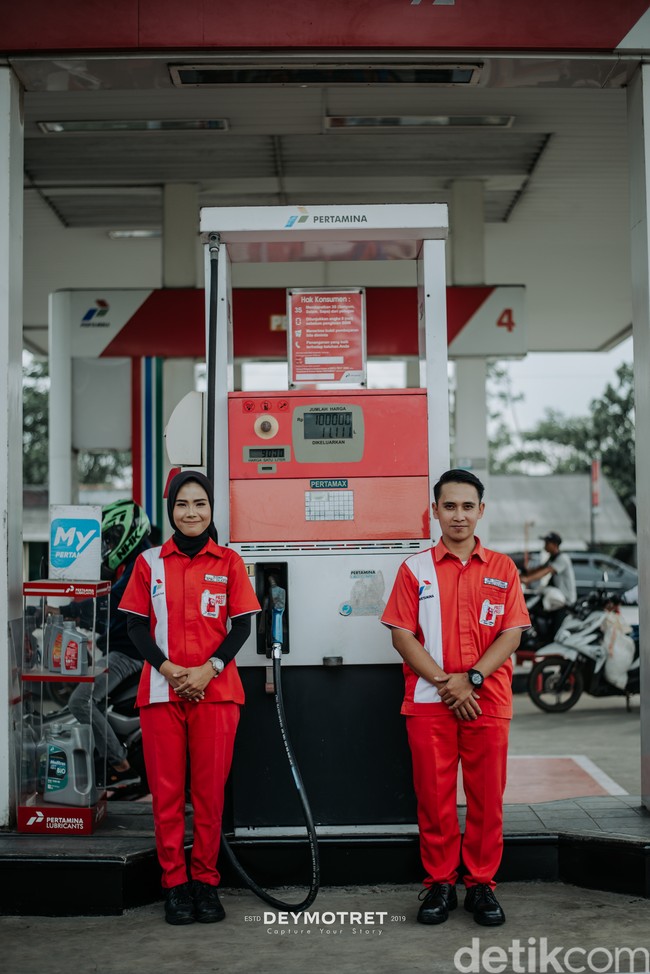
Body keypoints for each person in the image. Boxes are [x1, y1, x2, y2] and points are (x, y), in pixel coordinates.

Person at [380, 469, 530, 927]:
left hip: (489, 701)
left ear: (481, 511)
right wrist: (449, 684)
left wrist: (474, 679)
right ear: (435, 511)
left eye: (468, 506)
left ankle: (482, 885)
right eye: (450, 506)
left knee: (487, 798)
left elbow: (513, 632)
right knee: (435, 797)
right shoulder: (415, 568)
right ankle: (440, 884)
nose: (459, 515)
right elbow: (402, 636)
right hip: (429, 704)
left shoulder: (503, 568)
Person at [119, 470, 261, 926]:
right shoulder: (149, 564)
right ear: (171, 512)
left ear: (211, 509)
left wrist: (208, 669)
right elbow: (135, 626)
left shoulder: (230, 563)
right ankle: (175, 885)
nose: (192, 512)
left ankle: (205, 882)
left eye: (200, 503)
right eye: (183, 505)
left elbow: (241, 625)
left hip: (217, 694)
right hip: (162, 693)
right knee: (165, 796)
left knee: (209, 796)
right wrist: (168, 669)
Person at [65, 499, 151, 788]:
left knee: (80, 701)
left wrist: (62, 611)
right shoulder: (135, 563)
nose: (107, 546)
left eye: (111, 538)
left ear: (128, 533)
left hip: (129, 654)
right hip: (123, 648)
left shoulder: (142, 563)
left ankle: (121, 766)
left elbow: (108, 603)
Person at [520, 532, 577, 606]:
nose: (545, 545)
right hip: (556, 596)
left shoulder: (562, 558)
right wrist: (525, 572)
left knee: (538, 600)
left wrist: (527, 579)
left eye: (547, 543)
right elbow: (540, 568)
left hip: (564, 599)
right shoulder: (552, 558)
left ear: (555, 545)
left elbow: (546, 571)